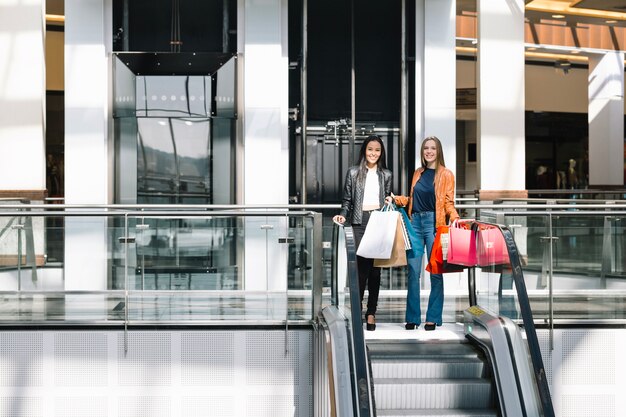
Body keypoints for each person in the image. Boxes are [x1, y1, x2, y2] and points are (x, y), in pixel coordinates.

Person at [393, 136, 459, 331]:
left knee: (436, 272)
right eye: (425, 149)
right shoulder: (418, 173)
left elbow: (448, 202)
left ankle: (432, 317)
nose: (429, 151)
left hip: (433, 225)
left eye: (432, 148)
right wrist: (398, 199)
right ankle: (412, 318)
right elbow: (414, 199)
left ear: (438, 151)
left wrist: (454, 217)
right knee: (413, 273)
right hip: (415, 224)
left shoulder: (446, 174)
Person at [333, 135, 393, 331]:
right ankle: (357, 312)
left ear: (381, 152)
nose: (373, 153)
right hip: (359, 223)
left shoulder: (386, 175)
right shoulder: (353, 173)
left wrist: (389, 201)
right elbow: (347, 201)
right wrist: (343, 215)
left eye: (377, 150)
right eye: (370, 149)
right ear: (364, 151)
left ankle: (371, 313)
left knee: (376, 271)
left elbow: (386, 200)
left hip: (378, 222)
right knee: (359, 271)